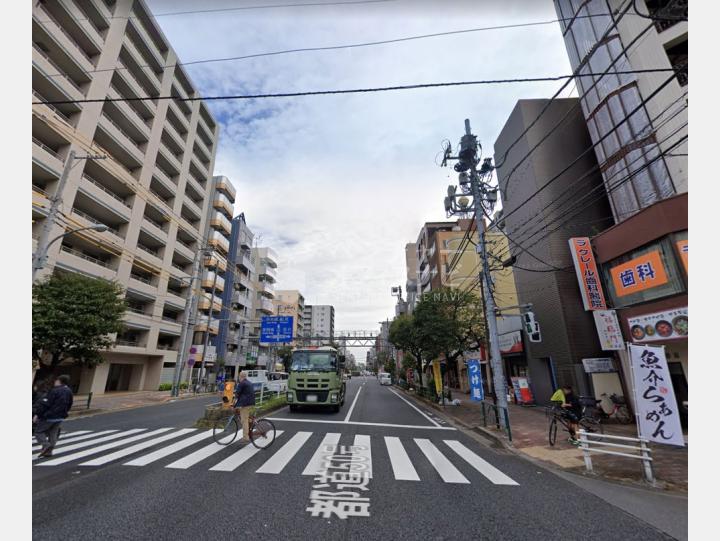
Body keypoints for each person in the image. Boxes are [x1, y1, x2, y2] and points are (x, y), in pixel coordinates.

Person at [33, 375, 74, 457]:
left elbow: (46, 404)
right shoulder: (69, 391)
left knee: (38, 431)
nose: (55, 382)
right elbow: (70, 403)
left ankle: (46, 445)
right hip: (60, 416)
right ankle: (49, 451)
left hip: (50, 415)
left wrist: (37, 414)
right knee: (53, 433)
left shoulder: (55, 391)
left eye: (56, 381)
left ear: (59, 381)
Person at [233, 371, 255, 444]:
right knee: (246, 418)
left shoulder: (242, 383)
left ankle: (246, 438)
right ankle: (251, 425)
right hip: (251, 403)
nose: (239, 378)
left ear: (241, 376)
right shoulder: (249, 382)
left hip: (246, 404)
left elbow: (237, 394)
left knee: (244, 420)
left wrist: (233, 403)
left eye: (239, 376)